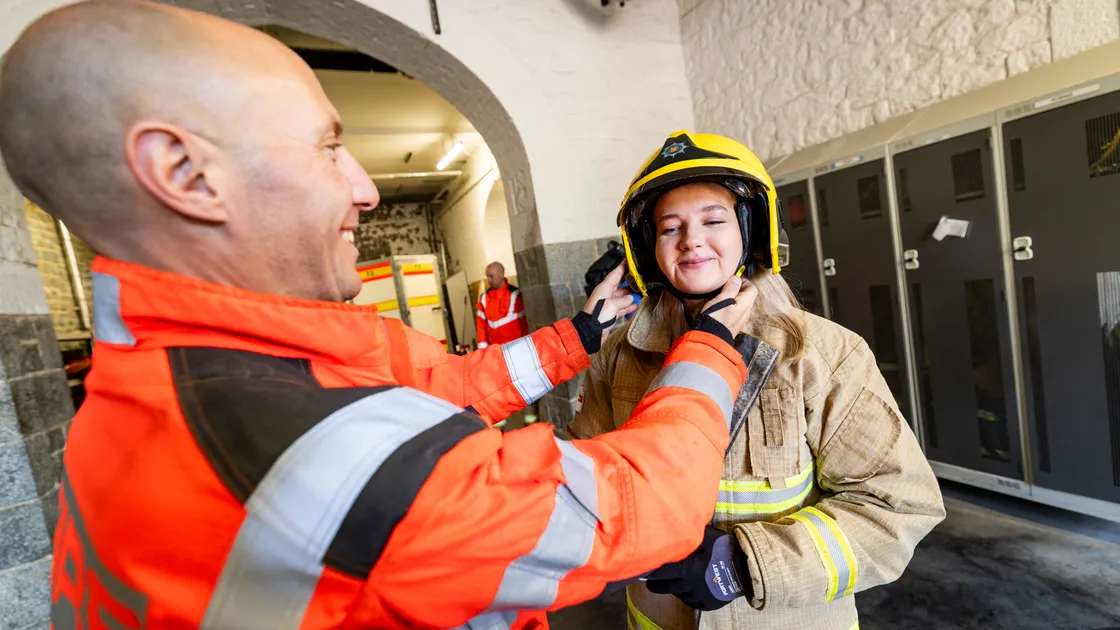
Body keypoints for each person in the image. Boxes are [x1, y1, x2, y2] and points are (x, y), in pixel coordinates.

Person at [0, 5, 761, 628]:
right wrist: (716, 342)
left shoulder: (176, 378)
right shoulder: (295, 448)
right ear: (184, 172)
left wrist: (583, 334)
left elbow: (450, 383)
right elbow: (639, 505)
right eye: (329, 148)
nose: (365, 190)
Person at [566, 131, 947, 630]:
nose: (691, 240)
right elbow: (584, 482)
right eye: (669, 227)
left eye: (714, 220)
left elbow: (898, 506)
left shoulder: (821, 353)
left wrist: (744, 565)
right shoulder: (620, 354)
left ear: (753, 229)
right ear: (647, 247)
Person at [475, 261, 528, 349]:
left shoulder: (515, 295)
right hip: (496, 351)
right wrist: (483, 351)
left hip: (516, 348)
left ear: (501, 275)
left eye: (491, 276)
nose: (488, 279)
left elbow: (525, 324)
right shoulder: (484, 298)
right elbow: (481, 327)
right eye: (487, 276)